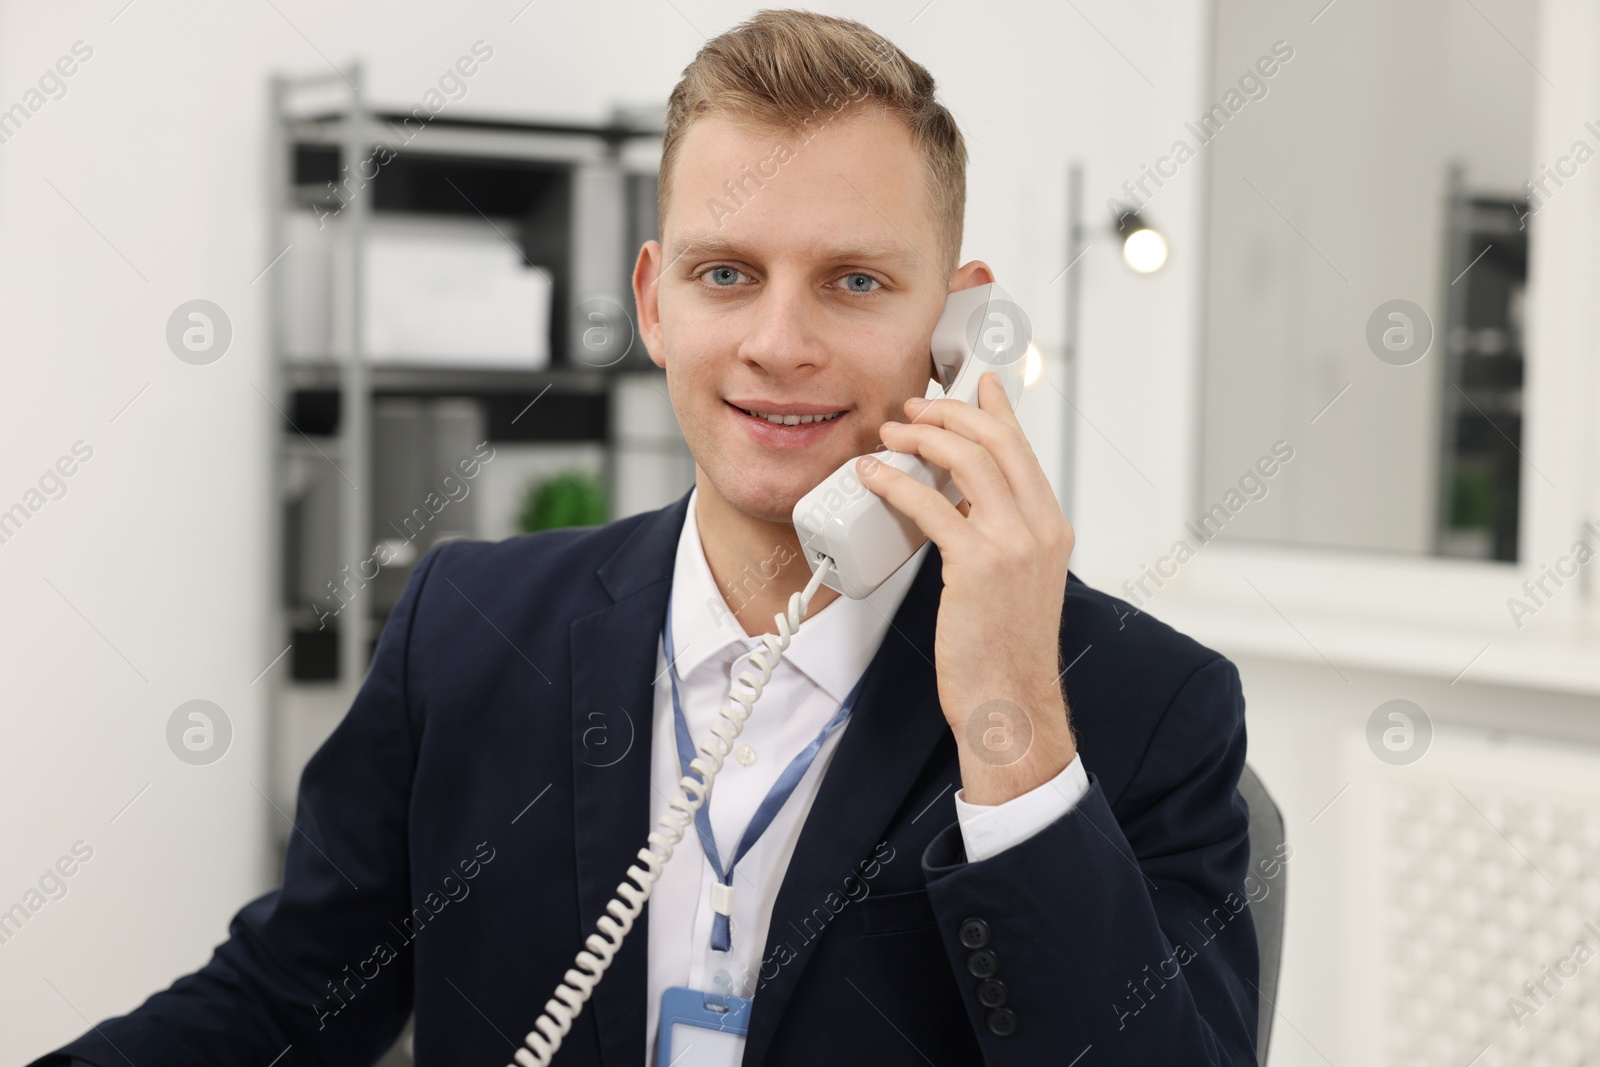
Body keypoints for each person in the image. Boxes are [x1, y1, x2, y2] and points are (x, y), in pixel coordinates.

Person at [32, 9, 1259, 1066]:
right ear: (651, 301)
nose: (780, 341)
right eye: (727, 274)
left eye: (854, 281)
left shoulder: (1144, 707)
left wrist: (1013, 727)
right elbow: (282, 1004)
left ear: (958, 321)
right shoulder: (463, 630)